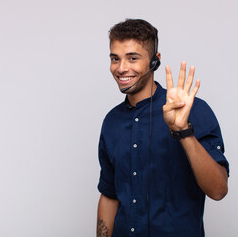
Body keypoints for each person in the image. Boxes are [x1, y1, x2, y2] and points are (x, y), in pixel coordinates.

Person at [97, 19, 229, 237]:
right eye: (115, 59)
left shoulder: (192, 110)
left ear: (154, 61)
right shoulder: (111, 122)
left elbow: (218, 190)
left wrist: (183, 131)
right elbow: (109, 194)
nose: (121, 68)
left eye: (132, 58)